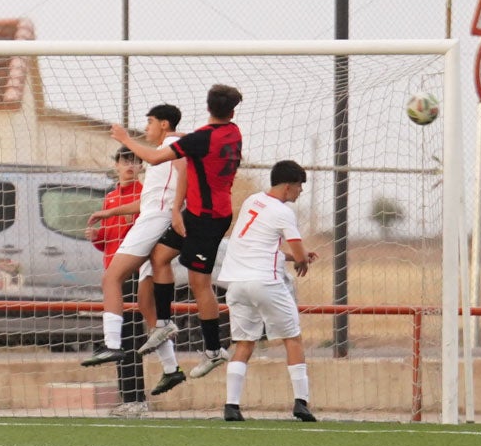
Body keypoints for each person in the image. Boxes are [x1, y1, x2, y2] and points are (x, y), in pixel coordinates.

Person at [112, 83, 243, 384]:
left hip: (208, 219)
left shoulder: (200, 139)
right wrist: (175, 209)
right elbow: (188, 165)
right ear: (232, 111)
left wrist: (124, 139)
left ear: (208, 107)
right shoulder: (232, 133)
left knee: (199, 282)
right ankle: (165, 323)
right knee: (160, 256)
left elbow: (157, 158)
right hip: (194, 213)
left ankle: (214, 350)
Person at [82, 107, 188, 414]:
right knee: (146, 306)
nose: (147, 127)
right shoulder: (160, 156)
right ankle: (171, 369)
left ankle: (111, 345)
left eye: (150, 122)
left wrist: (126, 138)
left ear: (164, 124)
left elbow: (176, 178)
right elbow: (146, 199)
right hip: (154, 218)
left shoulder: (173, 148)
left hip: (155, 221)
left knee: (110, 279)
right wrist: (108, 213)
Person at [208, 160, 318, 422]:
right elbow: (298, 247)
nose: (301, 192)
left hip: (236, 285)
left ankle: (231, 406)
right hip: (265, 283)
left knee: (244, 343)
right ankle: (301, 403)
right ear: (289, 186)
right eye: (300, 186)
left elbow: (262, 245)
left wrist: (294, 258)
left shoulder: (252, 201)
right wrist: (302, 258)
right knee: (293, 338)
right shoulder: (283, 212)